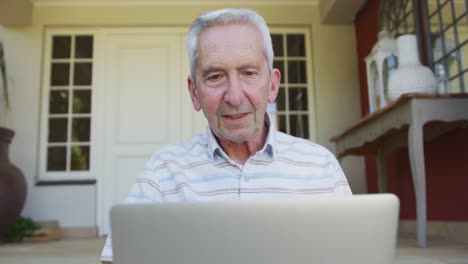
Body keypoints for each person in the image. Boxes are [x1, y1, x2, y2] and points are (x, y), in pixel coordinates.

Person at [100, 8, 352, 264]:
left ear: (273, 85)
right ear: (195, 92)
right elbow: (117, 258)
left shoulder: (320, 166)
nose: (234, 96)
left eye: (248, 73)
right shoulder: (164, 171)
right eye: (215, 76)